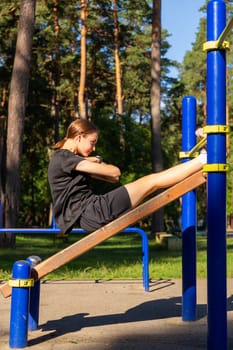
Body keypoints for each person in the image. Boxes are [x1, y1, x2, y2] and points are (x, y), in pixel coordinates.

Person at [48, 119, 206, 234]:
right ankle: (203, 159)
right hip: (93, 211)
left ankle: (199, 161)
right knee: (151, 181)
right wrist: (91, 162)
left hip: (90, 214)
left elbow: (112, 179)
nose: (94, 147)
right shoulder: (64, 157)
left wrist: (91, 161)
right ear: (78, 137)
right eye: (92, 142)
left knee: (152, 183)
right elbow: (115, 172)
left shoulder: (67, 160)